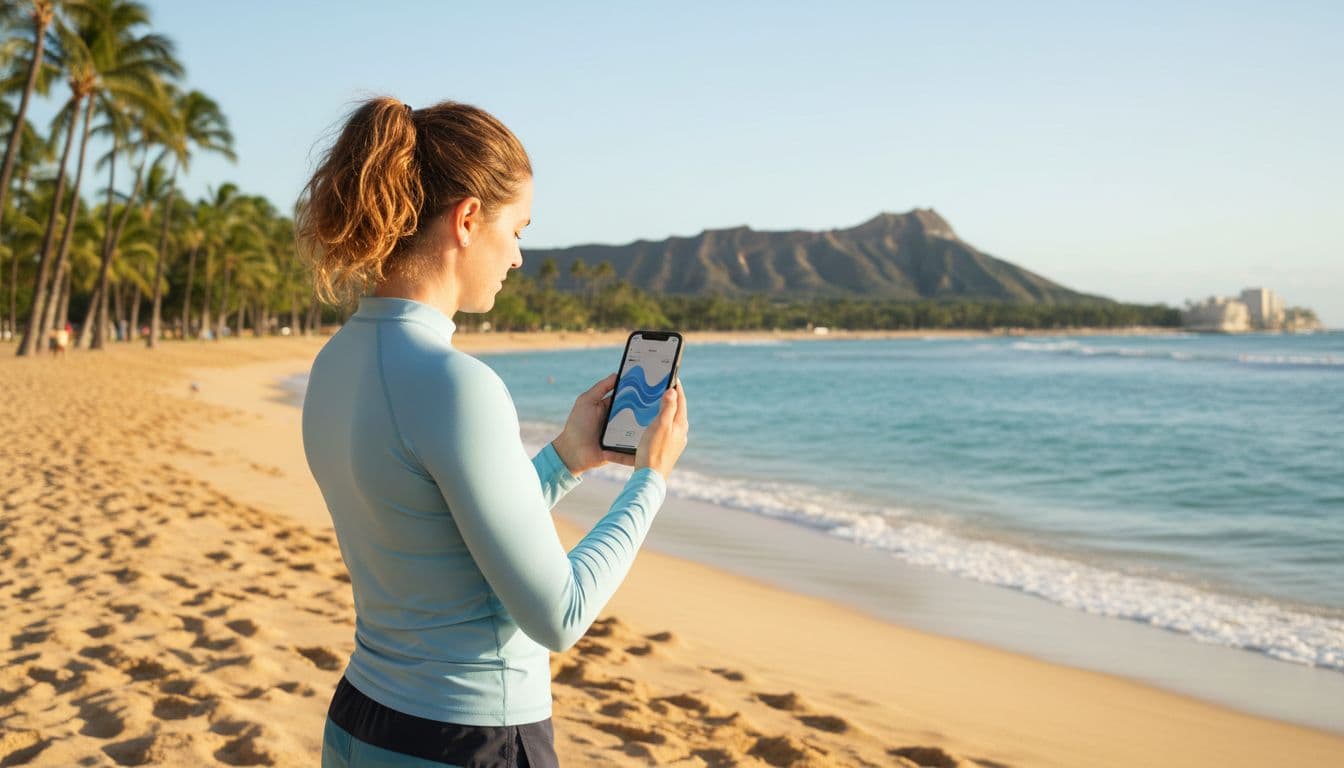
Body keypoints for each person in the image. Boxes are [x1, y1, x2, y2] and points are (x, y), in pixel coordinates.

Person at [296, 97, 689, 767]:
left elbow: (440, 535)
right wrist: (650, 479)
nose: (517, 258)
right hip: (465, 737)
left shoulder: (334, 363)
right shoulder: (457, 385)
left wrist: (565, 459)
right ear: (468, 220)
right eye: (517, 229)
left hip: (362, 723)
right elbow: (558, 615)